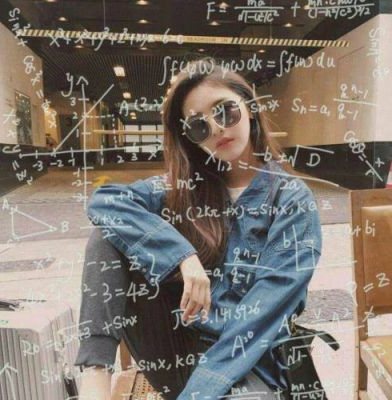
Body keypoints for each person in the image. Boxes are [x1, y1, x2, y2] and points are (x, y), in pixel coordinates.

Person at [74, 57, 322, 400]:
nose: (216, 129)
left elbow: (260, 320)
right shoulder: (187, 189)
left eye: (224, 111)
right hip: (178, 347)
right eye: (198, 126)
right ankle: (95, 378)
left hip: (249, 358)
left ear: (249, 108)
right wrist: (181, 256)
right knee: (108, 232)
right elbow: (106, 202)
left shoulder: (291, 200)